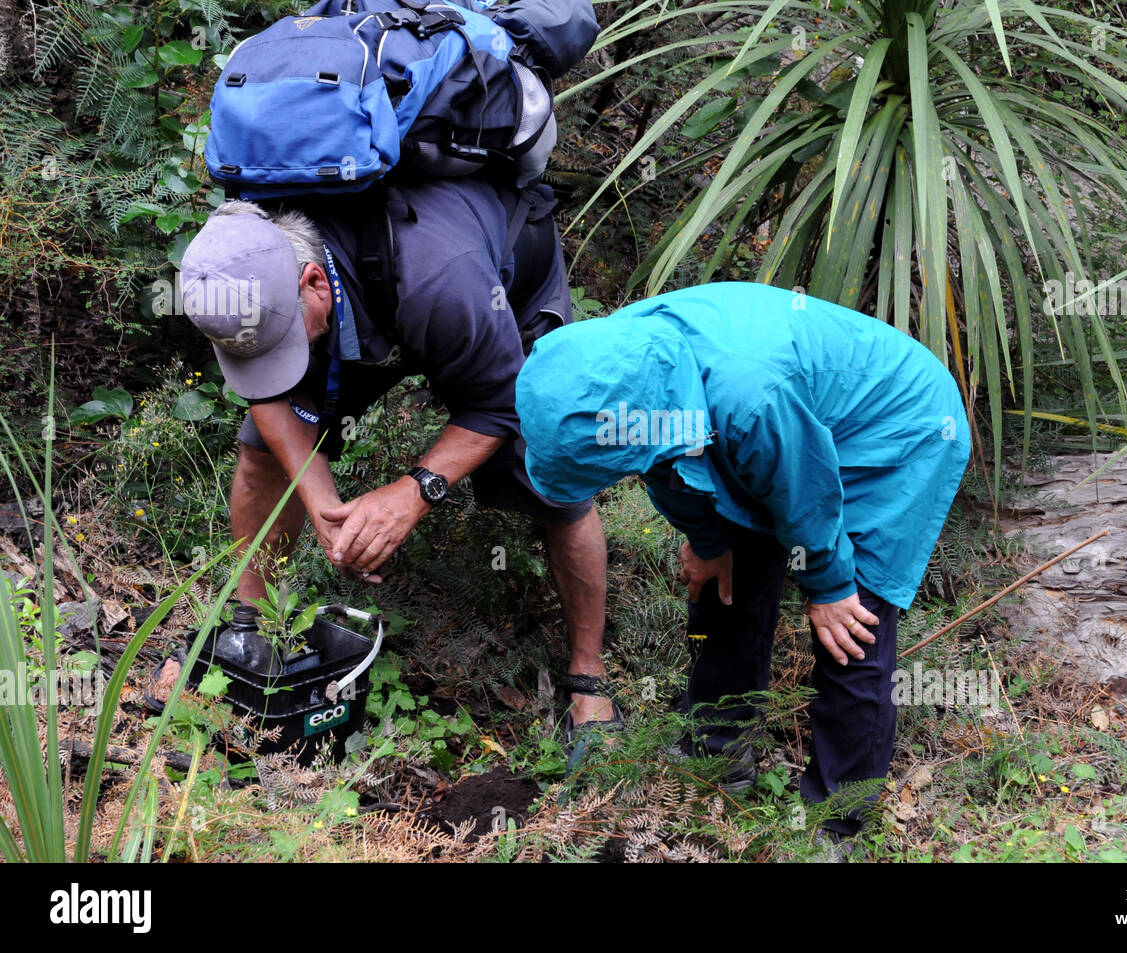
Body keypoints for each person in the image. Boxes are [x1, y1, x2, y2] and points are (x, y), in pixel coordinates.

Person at [514, 281, 971, 842]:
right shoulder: (618, 362)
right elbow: (663, 462)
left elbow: (804, 490)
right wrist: (709, 542)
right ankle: (716, 756)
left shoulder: (748, 394)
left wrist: (828, 585)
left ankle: (832, 826)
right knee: (724, 585)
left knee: (853, 629)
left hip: (894, 428)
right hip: (781, 430)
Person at [167, 169, 619, 734]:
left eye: (280, 342)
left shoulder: (445, 284)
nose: (274, 363)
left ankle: (588, 677)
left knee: (552, 475)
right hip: (364, 294)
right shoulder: (238, 260)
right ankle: (250, 629)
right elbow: (269, 392)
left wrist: (414, 492)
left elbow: (503, 402)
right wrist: (320, 501)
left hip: (497, 287)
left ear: (311, 282)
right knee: (262, 457)